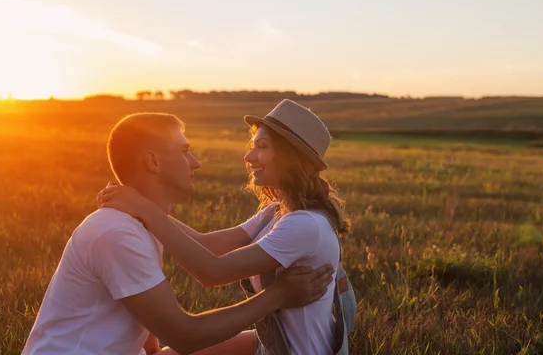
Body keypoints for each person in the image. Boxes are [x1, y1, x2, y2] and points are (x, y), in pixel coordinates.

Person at [21, 112, 334, 355]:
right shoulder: (117, 231)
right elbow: (186, 334)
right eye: (185, 151)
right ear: (153, 161)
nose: (195, 162)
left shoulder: (141, 223)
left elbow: (206, 249)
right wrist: (277, 296)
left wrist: (145, 209)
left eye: (261, 147)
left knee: (251, 346)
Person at [98, 99, 352, 355]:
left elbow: (212, 271)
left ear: (291, 157)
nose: (248, 156)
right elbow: (207, 245)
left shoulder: (305, 225)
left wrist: (143, 209)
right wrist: (141, 204)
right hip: (271, 344)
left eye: (261, 146)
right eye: (252, 145)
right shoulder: (274, 213)